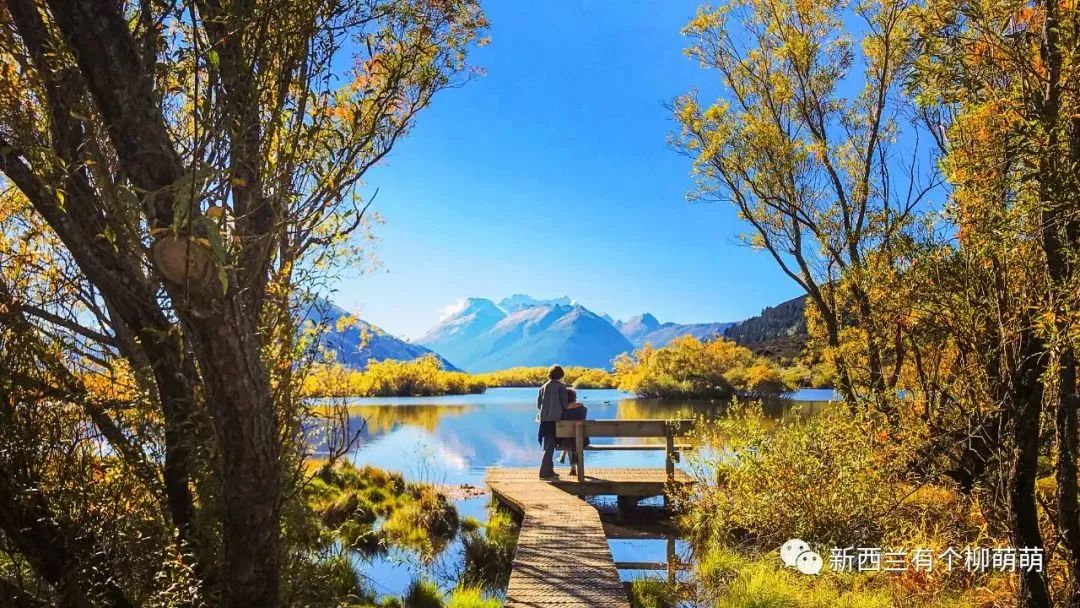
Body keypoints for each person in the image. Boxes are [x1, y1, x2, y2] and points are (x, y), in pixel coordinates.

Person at [536, 364, 569, 479]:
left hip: (544, 420)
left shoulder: (543, 387)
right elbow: (565, 405)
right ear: (561, 375)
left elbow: (539, 405)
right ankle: (544, 473)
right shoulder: (561, 387)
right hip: (555, 420)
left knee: (547, 446)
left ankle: (549, 471)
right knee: (550, 447)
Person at [559, 388, 589, 476]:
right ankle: (578, 468)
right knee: (576, 439)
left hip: (566, 439)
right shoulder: (583, 409)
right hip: (583, 440)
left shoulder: (561, 410)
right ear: (575, 397)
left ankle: (572, 467)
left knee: (569, 439)